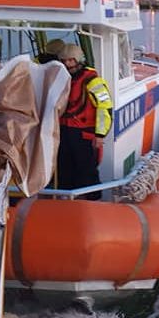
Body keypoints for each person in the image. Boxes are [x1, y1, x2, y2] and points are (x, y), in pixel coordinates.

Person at [55, 43, 112, 200]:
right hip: (64, 132)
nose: (68, 64)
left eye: (71, 60)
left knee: (87, 171)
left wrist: (100, 135)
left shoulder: (93, 82)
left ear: (79, 60)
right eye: (64, 61)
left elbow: (105, 107)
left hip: (84, 134)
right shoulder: (61, 79)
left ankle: (92, 201)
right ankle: (65, 201)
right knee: (64, 169)